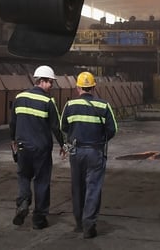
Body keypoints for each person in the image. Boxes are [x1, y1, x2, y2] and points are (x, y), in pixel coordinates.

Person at [61, 71, 118, 239]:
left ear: (78, 88)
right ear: (93, 87)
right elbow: (112, 130)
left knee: (77, 187)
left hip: (76, 151)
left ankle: (79, 223)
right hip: (95, 152)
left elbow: (64, 127)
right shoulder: (104, 105)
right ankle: (89, 225)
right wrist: (99, 139)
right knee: (93, 188)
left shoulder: (69, 106)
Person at [9, 65, 66, 230]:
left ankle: (23, 203)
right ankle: (39, 219)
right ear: (41, 81)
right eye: (50, 82)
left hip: (22, 147)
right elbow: (56, 126)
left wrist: (13, 140)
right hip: (41, 149)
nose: (52, 86)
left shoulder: (19, 97)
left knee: (23, 177)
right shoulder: (48, 101)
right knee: (41, 182)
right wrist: (63, 145)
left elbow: (13, 122)